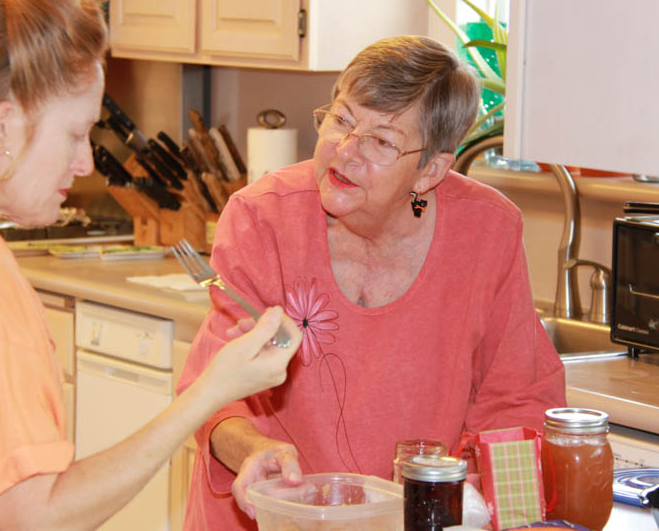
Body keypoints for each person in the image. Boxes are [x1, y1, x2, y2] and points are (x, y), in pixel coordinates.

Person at [0, 0, 302, 530]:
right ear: (4, 126)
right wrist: (212, 390)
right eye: (74, 133)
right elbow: (39, 516)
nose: (85, 162)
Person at [176, 35, 567, 529]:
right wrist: (255, 451)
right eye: (341, 119)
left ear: (431, 170)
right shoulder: (262, 218)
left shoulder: (487, 232)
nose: (346, 151)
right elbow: (213, 391)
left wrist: (493, 510)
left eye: (381, 141)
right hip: (270, 518)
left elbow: (518, 400)